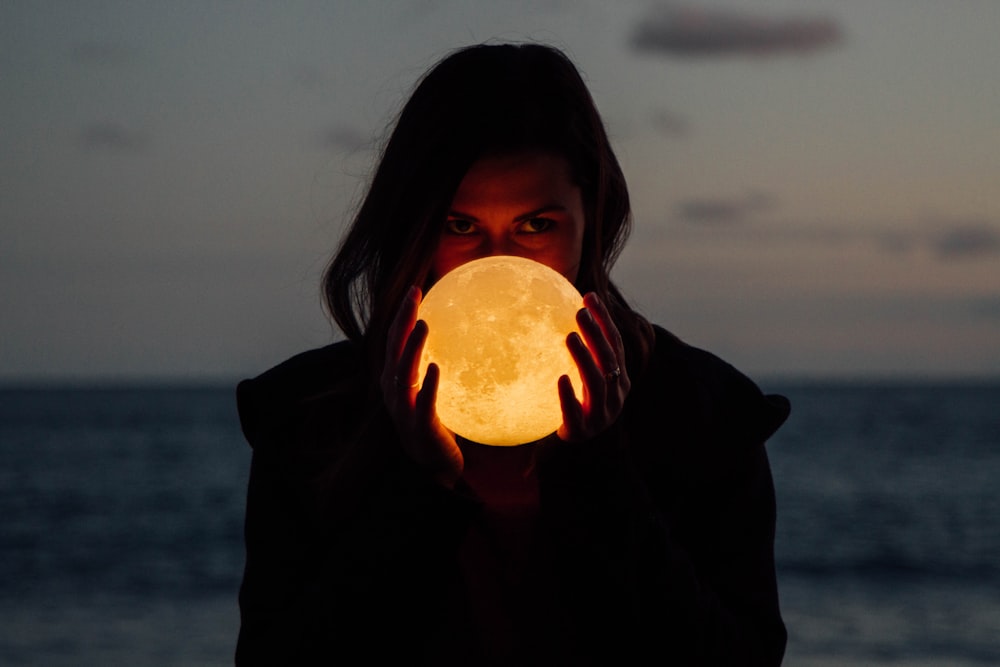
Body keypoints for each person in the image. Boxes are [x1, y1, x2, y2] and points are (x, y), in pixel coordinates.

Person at [235, 43, 789, 665]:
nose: (499, 268)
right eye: (460, 226)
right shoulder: (309, 421)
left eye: (536, 226)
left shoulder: (703, 416)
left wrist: (599, 470)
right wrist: (419, 486)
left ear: (592, 219)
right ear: (412, 226)